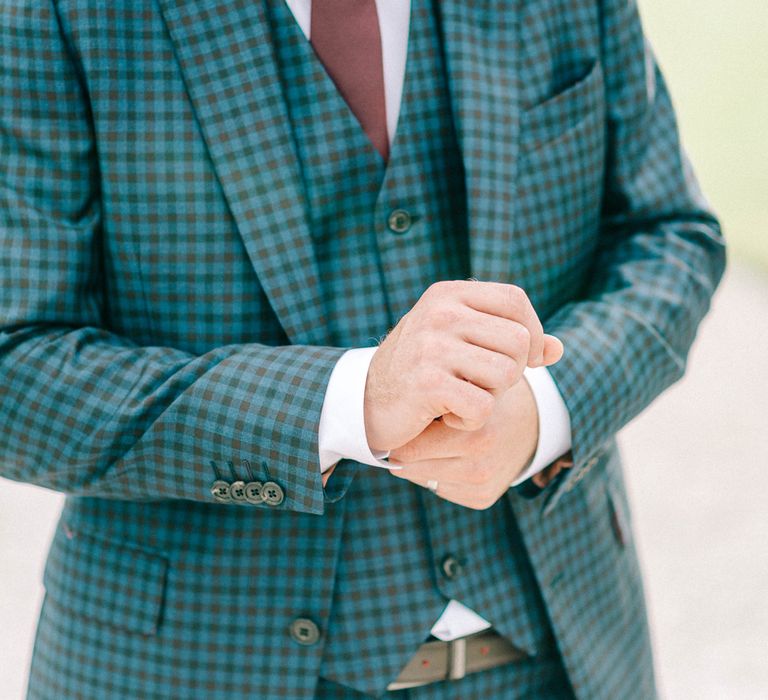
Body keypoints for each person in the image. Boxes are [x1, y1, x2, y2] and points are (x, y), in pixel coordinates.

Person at [0, 0, 725, 698]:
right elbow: (17, 367)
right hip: (200, 665)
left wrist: (545, 410)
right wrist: (350, 399)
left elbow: (669, 234)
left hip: (559, 658)